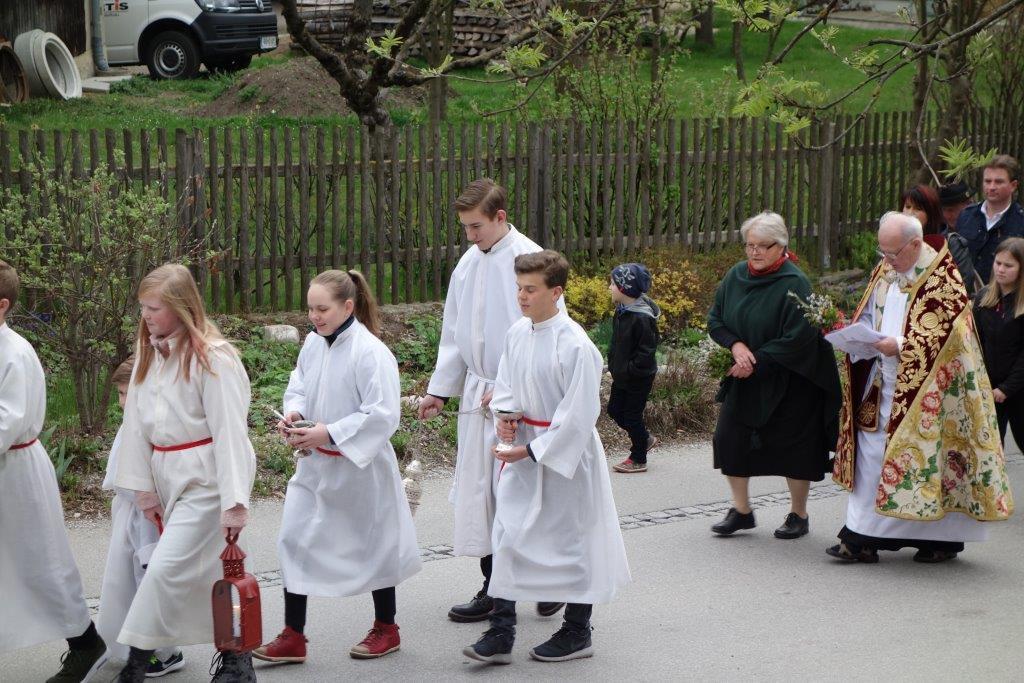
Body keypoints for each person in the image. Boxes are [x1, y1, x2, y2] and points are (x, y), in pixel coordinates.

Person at [463, 251, 631, 665]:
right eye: (518, 288)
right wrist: (505, 418)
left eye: (530, 289)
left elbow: (579, 414)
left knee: (571, 542)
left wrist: (531, 449)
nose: (521, 296)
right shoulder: (517, 333)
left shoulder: (576, 345)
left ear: (556, 292)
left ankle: (577, 630)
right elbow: (506, 385)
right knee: (507, 535)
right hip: (522, 447)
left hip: (565, 458)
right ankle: (501, 632)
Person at [254, 270, 421, 664]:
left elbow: (382, 414)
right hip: (315, 465)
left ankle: (387, 627)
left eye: (322, 309)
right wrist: (295, 413)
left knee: (374, 545)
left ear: (348, 306)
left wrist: (328, 432)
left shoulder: (371, 352)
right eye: (310, 308)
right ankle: (293, 635)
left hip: (361, 468)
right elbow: (298, 383)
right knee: (293, 540)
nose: (314, 316)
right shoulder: (313, 343)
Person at [416, 178, 563, 622]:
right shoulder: (468, 262)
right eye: (464, 227)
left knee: (521, 494)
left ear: (500, 217)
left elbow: (549, 333)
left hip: (521, 398)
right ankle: (493, 585)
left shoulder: (531, 261)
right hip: (479, 393)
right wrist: (441, 389)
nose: (470, 235)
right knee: (483, 495)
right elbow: (455, 331)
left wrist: (514, 389)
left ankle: (546, 579)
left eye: (476, 226)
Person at [829, 212, 1014, 564]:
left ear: (915, 245)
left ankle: (940, 540)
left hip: (933, 392)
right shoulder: (887, 269)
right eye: (882, 252)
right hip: (883, 381)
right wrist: (856, 335)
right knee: (871, 455)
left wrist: (900, 345)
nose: (886, 261)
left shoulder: (943, 278)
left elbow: (949, 336)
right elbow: (869, 313)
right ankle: (860, 536)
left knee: (937, 460)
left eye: (892, 253)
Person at [112, 264, 256, 681]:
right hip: (166, 475)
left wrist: (234, 501)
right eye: (142, 307)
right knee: (205, 572)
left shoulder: (213, 358)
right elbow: (135, 424)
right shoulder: (149, 353)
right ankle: (237, 660)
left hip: (205, 479)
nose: (146, 316)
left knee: (163, 569)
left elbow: (230, 431)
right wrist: (143, 488)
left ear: (180, 306)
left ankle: (136, 664)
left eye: (154, 308)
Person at [0, 259, 109, 681]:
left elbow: (7, 421)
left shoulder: (14, 353)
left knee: (40, 561)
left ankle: (85, 643)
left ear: (3, 305)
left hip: (15, 472)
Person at [706, 212, 842, 540]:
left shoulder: (795, 282)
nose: (754, 252)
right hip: (746, 371)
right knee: (730, 439)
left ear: (781, 246)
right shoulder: (736, 276)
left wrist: (755, 362)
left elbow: (798, 337)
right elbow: (715, 320)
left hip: (792, 376)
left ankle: (799, 514)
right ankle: (741, 511)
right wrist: (736, 346)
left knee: (794, 447)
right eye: (749, 245)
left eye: (762, 246)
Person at [97, 356, 184, 676]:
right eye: (119, 394)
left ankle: (164, 650)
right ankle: (136, 644)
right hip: (129, 511)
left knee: (149, 577)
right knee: (127, 579)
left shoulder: (156, 428)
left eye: (126, 393)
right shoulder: (132, 425)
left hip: (149, 515)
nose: (122, 402)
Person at [607, 263, 661, 474]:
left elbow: (646, 352)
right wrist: (614, 365)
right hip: (622, 375)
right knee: (614, 410)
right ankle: (644, 438)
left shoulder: (642, 317)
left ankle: (639, 457)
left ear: (625, 288)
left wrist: (630, 370)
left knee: (631, 416)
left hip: (638, 377)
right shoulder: (622, 311)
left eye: (613, 284)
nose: (609, 287)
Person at [973, 238, 1024, 450]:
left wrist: (1007, 388)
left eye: (1008, 265)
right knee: (992, 447)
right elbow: (975, 340)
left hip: (1019, 387)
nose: (1001, 269)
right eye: (998, 263)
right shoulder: (983, 297)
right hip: (990, 387)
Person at [956, 154, 1024, 283]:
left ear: (1013, 185)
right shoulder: (966, 215)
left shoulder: (1020, 221)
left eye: (999, 182)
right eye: (987, 181)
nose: (991, 187)